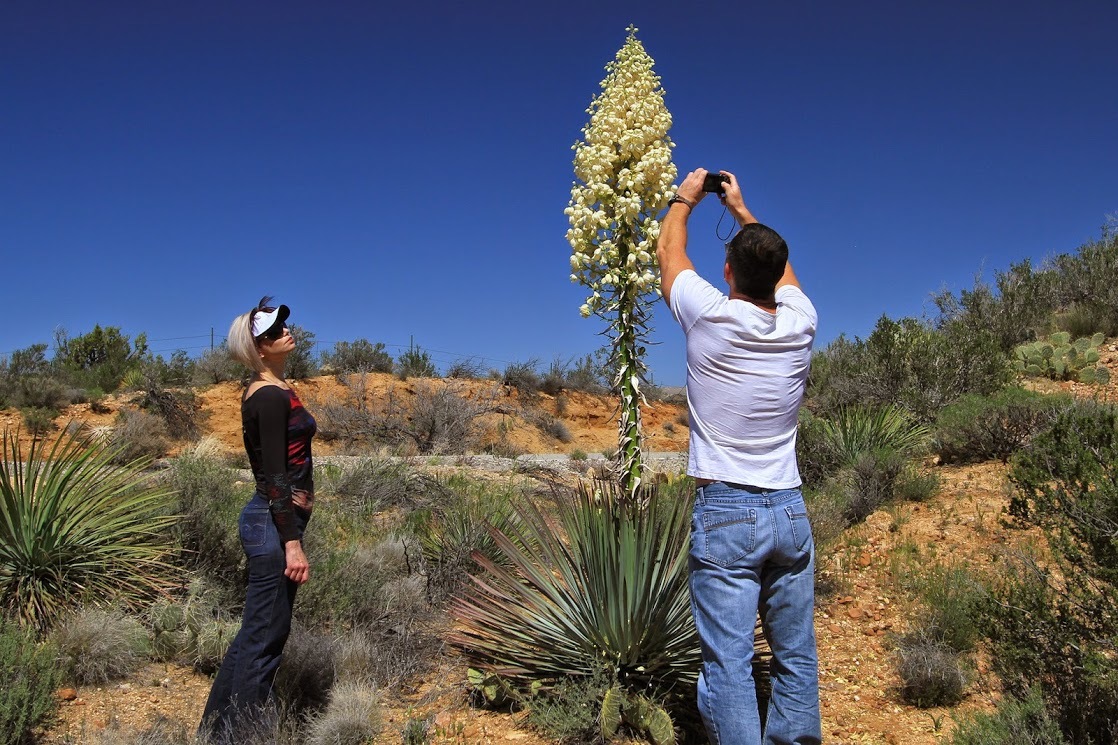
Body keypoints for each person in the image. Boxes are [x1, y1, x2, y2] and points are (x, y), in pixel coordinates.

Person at [657, 169, 821, 745]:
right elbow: (785, 275)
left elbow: (670, 255)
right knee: (796, 656)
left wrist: (686, 198)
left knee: (727, 662)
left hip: (727, 509)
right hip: (790, 509)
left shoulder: (710, 315)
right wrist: (744, 209)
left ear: (727, 271)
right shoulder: (802, 324)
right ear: (779, 278)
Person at [199, 297, 316, 741]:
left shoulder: (276, 388)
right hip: (272, 523)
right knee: (265, 642)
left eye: (282, 325)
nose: (284, 331)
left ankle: (215, 733)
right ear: (258, 349)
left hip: (273, 521)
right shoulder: (267, 395)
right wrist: (291, 542)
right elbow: (273, 476)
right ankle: (241, 736)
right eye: (270, 333)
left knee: (255, 636)